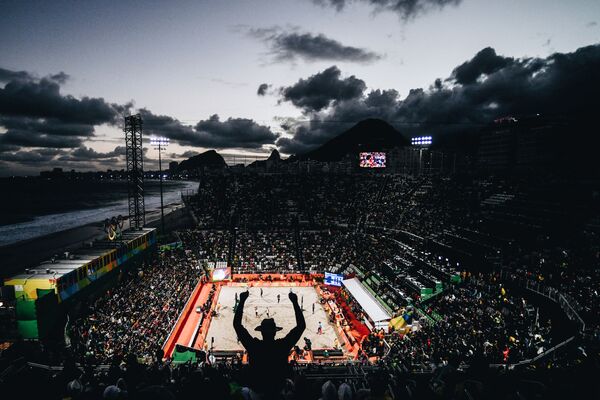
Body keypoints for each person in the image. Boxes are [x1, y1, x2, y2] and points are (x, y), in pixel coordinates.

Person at [234, 289, 306, 397]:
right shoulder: (282, 345)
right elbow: (301, 326)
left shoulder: (254, 346)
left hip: (257, 391)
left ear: (261, 332)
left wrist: (242, 300)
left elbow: (237, 325)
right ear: (275, 332)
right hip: (277, 391)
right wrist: (295, 302)